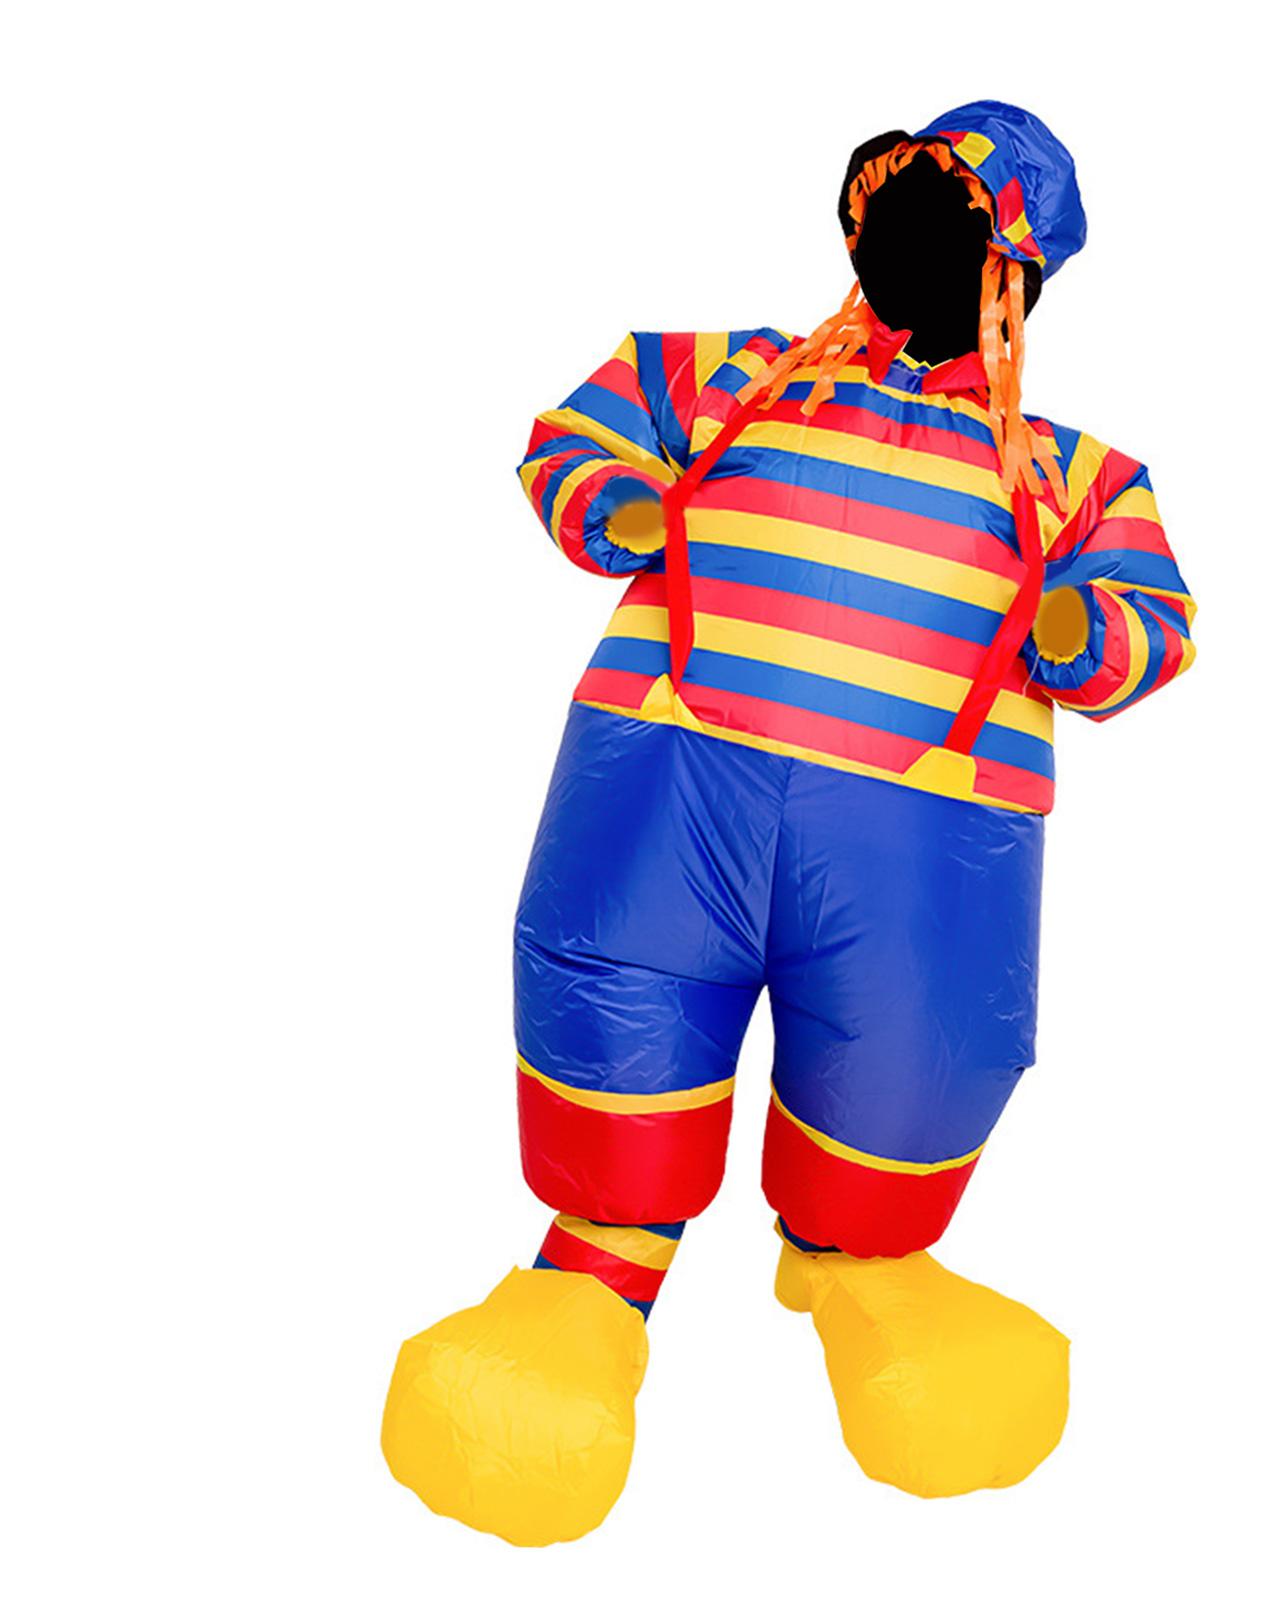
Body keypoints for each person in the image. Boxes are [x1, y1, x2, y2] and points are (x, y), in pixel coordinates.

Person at [383, 99, 1196, 1546]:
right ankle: (592, 1273)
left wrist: (1086, 631)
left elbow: (1155, 612)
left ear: (1019, 276)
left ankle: (866, 1260)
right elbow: (584, 426)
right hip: (668, 778)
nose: (919, 242)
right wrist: (619, 498)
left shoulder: (1073, 474)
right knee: (619, 987)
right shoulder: (736, 379)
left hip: (928, 844)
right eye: (900, 203)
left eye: (962, 226)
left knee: (914, 1043)